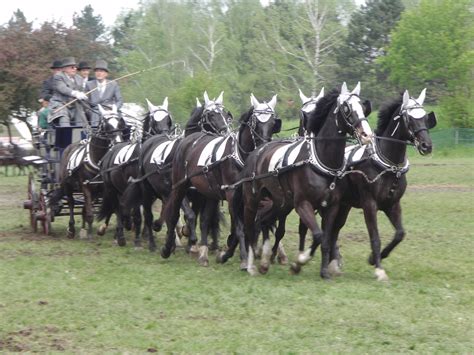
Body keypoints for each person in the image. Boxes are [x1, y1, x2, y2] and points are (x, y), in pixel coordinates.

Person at [47, 56, 88, 127]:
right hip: (60, 105)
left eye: (75, 67)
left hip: (75, 106)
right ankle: (65, 136)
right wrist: (75, 93)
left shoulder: (79, 78)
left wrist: (83, 95)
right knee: (64, 119)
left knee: (82, 120)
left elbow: (82, 91)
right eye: (72, 67)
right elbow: (62, 88)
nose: (75, 69)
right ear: (65, 69)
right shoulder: (58, 76)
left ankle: (81, 136)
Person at [86, 59, 123, 127]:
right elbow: (86, 101)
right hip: (95, 111)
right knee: (95, 115)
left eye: (101, 71)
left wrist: (114, 108)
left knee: (121, 120)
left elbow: (119, 100)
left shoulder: (113, 84)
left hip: (110, 110)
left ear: (106, 74)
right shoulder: (89, 84)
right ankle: (95, 133)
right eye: (97, 71)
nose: (99, 73)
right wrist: (90, 110)